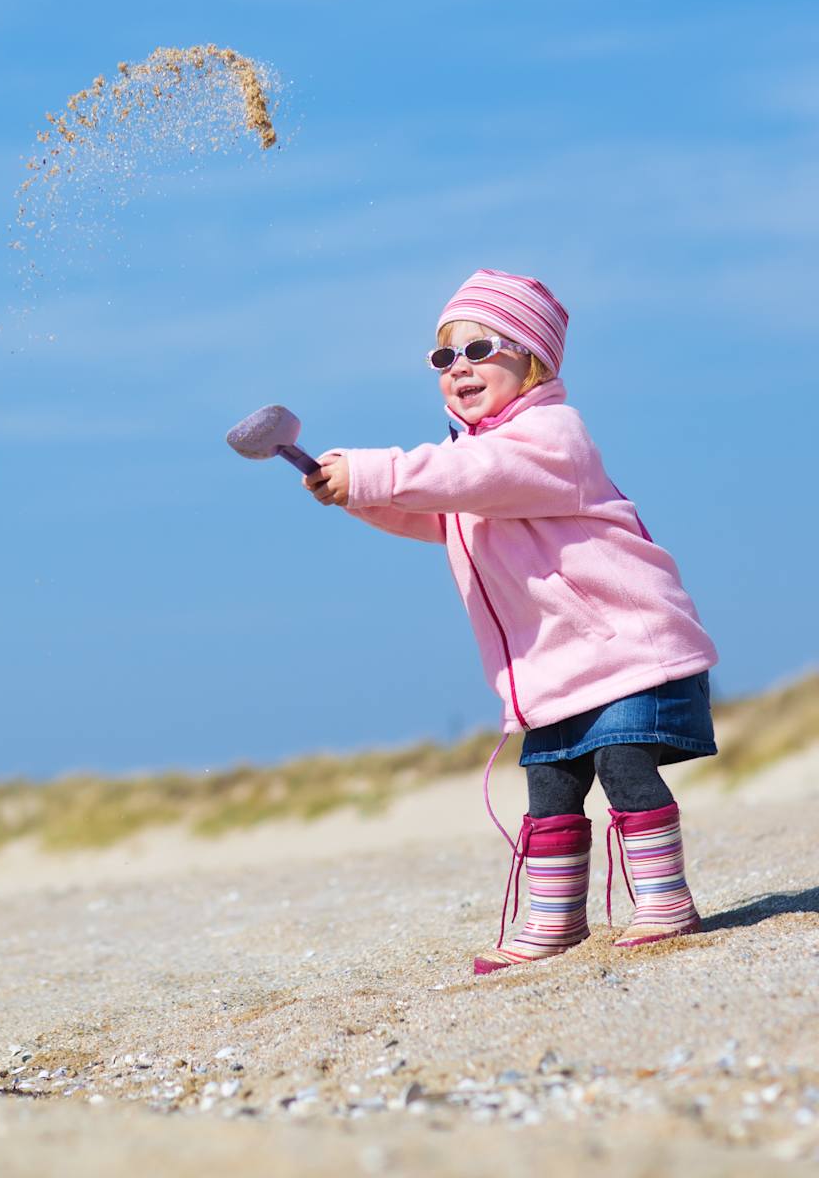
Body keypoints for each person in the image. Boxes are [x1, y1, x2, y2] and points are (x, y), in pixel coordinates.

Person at [302, 268, 718, 974]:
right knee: (550, 789)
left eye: (480, 349)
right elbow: (438, 508)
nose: (459, 368)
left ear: (535, 360)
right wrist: (353, 494)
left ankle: (665, 900)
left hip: (624, 650)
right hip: (555, 668)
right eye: (444, 357)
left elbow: (474, 478)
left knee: (623, 767)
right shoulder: (475, 461)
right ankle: (555, 920)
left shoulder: (552, 436)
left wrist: (372, 472)